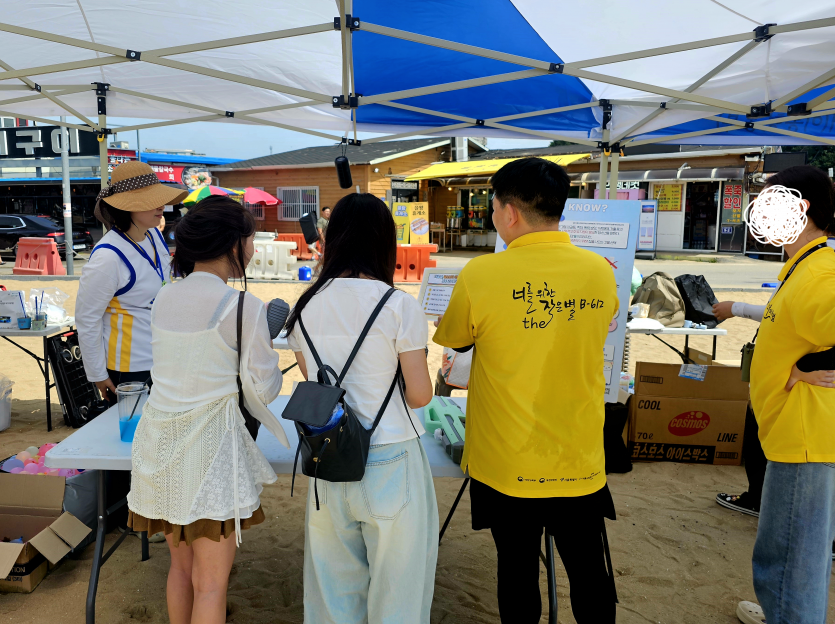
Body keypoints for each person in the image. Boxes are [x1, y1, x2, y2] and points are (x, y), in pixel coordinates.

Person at [433, 157, 619, 623]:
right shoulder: (599, 271)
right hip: (577, 456)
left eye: (493, 206)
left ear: (510, 212)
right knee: (590, 574)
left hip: (506, 460)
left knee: (516, 572)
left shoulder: (481, 274)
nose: (493, 215)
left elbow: (456, 339)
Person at [126, 195, 290, 624]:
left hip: (159, 446)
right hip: (210, 452)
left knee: (180, 571)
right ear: (232, 243)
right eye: (250, 240)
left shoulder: (163, 297)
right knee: (212, 585)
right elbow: (266, 390)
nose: (252, 249)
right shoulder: (242, 306)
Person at [285, 193, 437, 623]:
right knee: (399, 597)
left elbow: (319, 386)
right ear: (384, 242)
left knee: (333, 596)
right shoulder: (398, 305)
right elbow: (420, 395)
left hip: (329, 457)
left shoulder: (307, 304)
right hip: (390, 455)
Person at [747, 165, 835, 624]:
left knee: (790, 564)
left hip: (804, 439)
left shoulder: (820, 273)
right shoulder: (803, 267)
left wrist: (812, 368)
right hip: (791, 434)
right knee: (788, 556)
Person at [77, 160, 187, 401]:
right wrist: (97, 374)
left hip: (161, 357)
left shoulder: (154, 235)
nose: (161, 205)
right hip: (128, 368)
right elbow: (87, 319)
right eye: (150, 200)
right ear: (127, 207)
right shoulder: (108, 257)